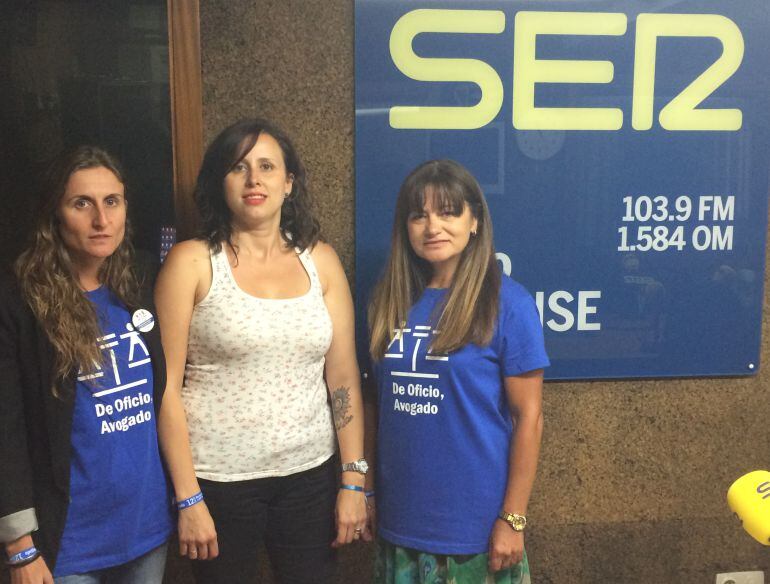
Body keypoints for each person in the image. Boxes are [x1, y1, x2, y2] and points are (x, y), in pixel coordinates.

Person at [154, 118, 368, 584]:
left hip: (310, 478)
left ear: (288, 183)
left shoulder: (321, 261)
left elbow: (344, 380)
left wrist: (353, 478)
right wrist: (187, 497)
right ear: (220, 182)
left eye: (267, 166)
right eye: (239, 167)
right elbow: (165, 389)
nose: (254, 179)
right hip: (219, 483)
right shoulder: (190, 261)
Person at [0, 145, 214, 584]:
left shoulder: (137, 281)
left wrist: (186, 499)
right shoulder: (21, 303)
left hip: (145, 530)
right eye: (82, 203)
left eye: (111, 202)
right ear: (54, 214)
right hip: (69, 545)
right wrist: (20, 546)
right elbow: (7, 428)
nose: (101, 220)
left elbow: (164, 394)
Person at [366, 159, 549, 583]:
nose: (433, 226)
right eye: (419, 215)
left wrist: (513, 518)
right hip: (400, 523)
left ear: (475, 223)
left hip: (477, 533)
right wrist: (367, 490)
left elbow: (529, 418)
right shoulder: (388, 302)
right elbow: (374, 406)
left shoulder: (509, 304)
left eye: (448, 212)